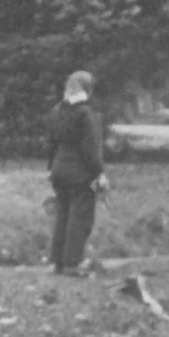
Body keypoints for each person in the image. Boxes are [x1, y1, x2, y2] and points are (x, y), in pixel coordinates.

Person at [46, 71, 109, 277]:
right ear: (88, 90)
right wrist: (100, 173)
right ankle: (72, 264)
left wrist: (51, 167)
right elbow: (90, 149)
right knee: (80, 217)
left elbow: (51, 143)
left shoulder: (56, 111)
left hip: (59, 170)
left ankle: (57, 262)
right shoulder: (86, 114)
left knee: (62, 216)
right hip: (80, 172)